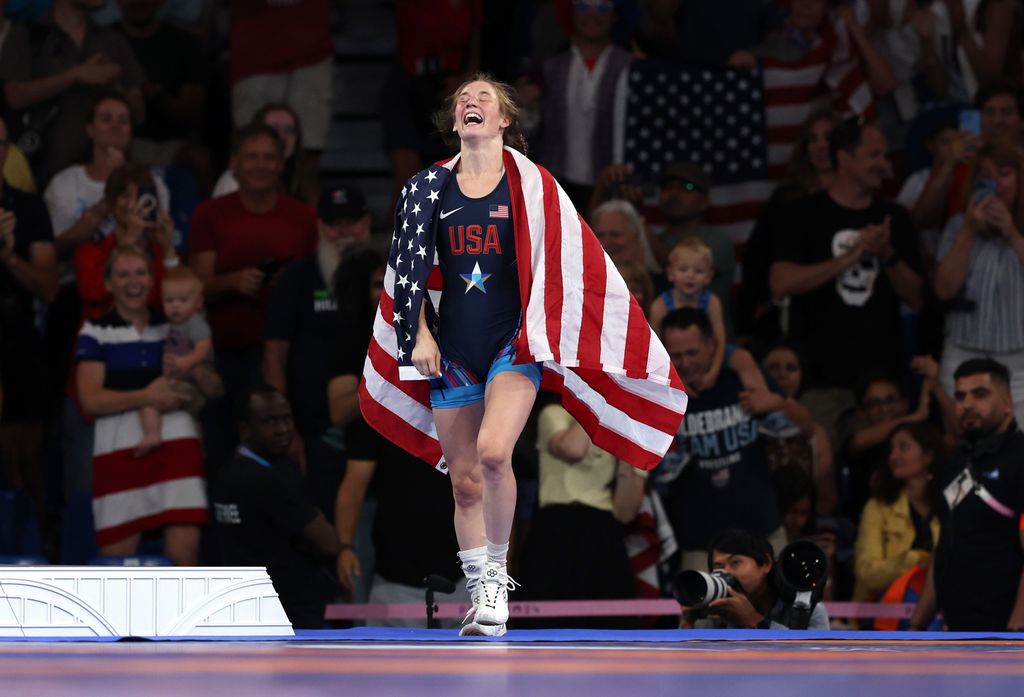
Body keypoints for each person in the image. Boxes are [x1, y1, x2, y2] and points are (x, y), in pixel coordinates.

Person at [361, 73, 686, 637]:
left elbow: (573, 262)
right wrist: (418, 336)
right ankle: (479, 588)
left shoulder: (533, 185)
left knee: (492, 454)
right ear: (455, 117)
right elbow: (407, 270)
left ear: (505, 118)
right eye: (463, 97)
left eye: (484, 97)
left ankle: (495, 580)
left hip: (515, 343)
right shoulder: (424, 189)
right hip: (450, 347)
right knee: (463, 481)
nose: (471, 102)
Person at [770, 115, 924, 449]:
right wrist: (846, 260)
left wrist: (887, 254)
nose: (883, 164)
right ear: (844, 158)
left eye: (884, 155)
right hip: (819, 380)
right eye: (874, 155)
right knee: (817, 470)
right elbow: (780, 282)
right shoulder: (802, 214)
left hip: (881, 381)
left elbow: (918, 298)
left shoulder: (893, 218)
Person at [187, 123, 317, 469]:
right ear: (234, 163)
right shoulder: (210, 214)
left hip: (285, 356)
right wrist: (231, 282)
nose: (260, 165)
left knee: (279, 452)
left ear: (281, 164)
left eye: (268, 157)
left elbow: (316, 286)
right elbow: (192, 287)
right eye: (251, 157)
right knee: (220, 450)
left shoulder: (303, 218)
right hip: (221, 355)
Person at [75, 244, 206, 564]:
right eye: (122, 274)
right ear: (108, 284)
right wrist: (147, 396)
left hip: (177, 444)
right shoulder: (95, 332)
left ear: (151, 280)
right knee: (118, 568)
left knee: (183, 562)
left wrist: (199, 372)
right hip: (119, 450)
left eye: (140, 272)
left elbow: (212, 388)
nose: (132, 281)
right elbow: (90, 399)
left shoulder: (175, 325)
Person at [263, 185, 371, 518]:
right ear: (320, 227)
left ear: (367, 223)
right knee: (315, 523)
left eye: (352, 222)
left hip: (374, 433)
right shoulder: (298, 278)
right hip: (313, 435)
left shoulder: (387, 278)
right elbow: (273, 356)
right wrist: (285, 428)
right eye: (334, 223)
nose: (343, 232)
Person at [656, 308, 785, 571]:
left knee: (781, 610)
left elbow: (801, 425)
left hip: (764, 532)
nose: (685, 362)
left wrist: (777, 402)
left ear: (712, 345)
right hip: (698, 545)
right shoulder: (659, 397)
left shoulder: (741, 377)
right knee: (701, 613)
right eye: (676, 355)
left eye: (692, 353)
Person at [212, 384, 340, 629]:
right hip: (288, 618)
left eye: (286, 419)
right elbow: (329, 542)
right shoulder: (266, 479)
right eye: (270, 421)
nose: (282, 429)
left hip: (247, 611)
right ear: (245, 429)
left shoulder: (227, 472)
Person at [910, 358, 1024, 632]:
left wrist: (1015, 631)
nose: (967, 404)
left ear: (1008, 403)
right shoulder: (956, 461)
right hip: (960, 632)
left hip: (1007, 635)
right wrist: (915, 627)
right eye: (960, 396)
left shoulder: (1020, 457)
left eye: (980, 394)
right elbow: (946, 546)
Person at [517, 401, 646, 628]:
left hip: (603, 534)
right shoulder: (554, 413)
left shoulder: (621, 427)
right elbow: (574, 449)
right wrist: (602, 401)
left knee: (613, 629)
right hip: (555, 531)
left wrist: (631, 452)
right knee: (543, 627)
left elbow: (626, 512)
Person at [0, 0, 146, 185]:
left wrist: (116, 85)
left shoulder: (112, 39)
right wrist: (75, 75)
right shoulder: (25, 34)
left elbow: (139, 114)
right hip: (39, 172)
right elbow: (13, 97)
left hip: (106, 179)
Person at [933, 140, 1024, 420]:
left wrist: (1011, 232)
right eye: (986, 178)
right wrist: (969, 230)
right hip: (963, 357)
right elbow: (943, 289)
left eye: (1005, 174)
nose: (996, 185)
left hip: (1019, 365)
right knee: (965, 449)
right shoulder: (958, 226)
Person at [0, 113, 57, 519]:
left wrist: (8, 257)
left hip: (16, 336)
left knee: (27, 464)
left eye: (1, 143)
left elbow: (49, 287)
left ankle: (34, 548)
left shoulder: (29, 207)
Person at [853, 421, 944, 602]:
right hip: (881, 614)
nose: (893, 456)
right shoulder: (877, 507)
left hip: (939, 611)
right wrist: (914, 559)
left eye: (903, 447)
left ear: (929, 455)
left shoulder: (949, 506)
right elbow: (866, 572)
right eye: (891, 449)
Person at [136, 266, 220, 455]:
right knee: (187, 420)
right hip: (175, 380)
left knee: (148, 401)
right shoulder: (167, 326)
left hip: (192, 384)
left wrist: (187, 361)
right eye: (169, 300)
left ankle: (152, 434)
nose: (175, 306)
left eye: (183, 300)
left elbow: (203, 348)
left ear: (198, 303)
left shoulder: (195, 323)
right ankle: (194, 451)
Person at [678, 528, 830, 630]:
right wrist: (688, 623)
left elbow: (812, 663)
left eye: (735, 563)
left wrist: (754, 621)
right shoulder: (714, 608)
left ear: (766, 563)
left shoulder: (807, 609)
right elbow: (687, 667)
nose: (726, 573)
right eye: (718, 567)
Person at [649, 238, 727, 379]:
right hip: (672, 358)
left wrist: (713, 373)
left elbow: (720, 341)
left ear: (709, 276)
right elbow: (655, 350)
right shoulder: (659, 306)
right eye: (683, 269)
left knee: (741, 358)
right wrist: (672, 379)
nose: (690, 275)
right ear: (670, 274)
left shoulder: (712, 302)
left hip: (707, 353)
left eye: (698, 271)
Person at [213, 103, 317, 205]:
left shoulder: (304, 178)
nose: (283, 137)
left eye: (289, 130)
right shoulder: (236, 178)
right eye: (273, 130)